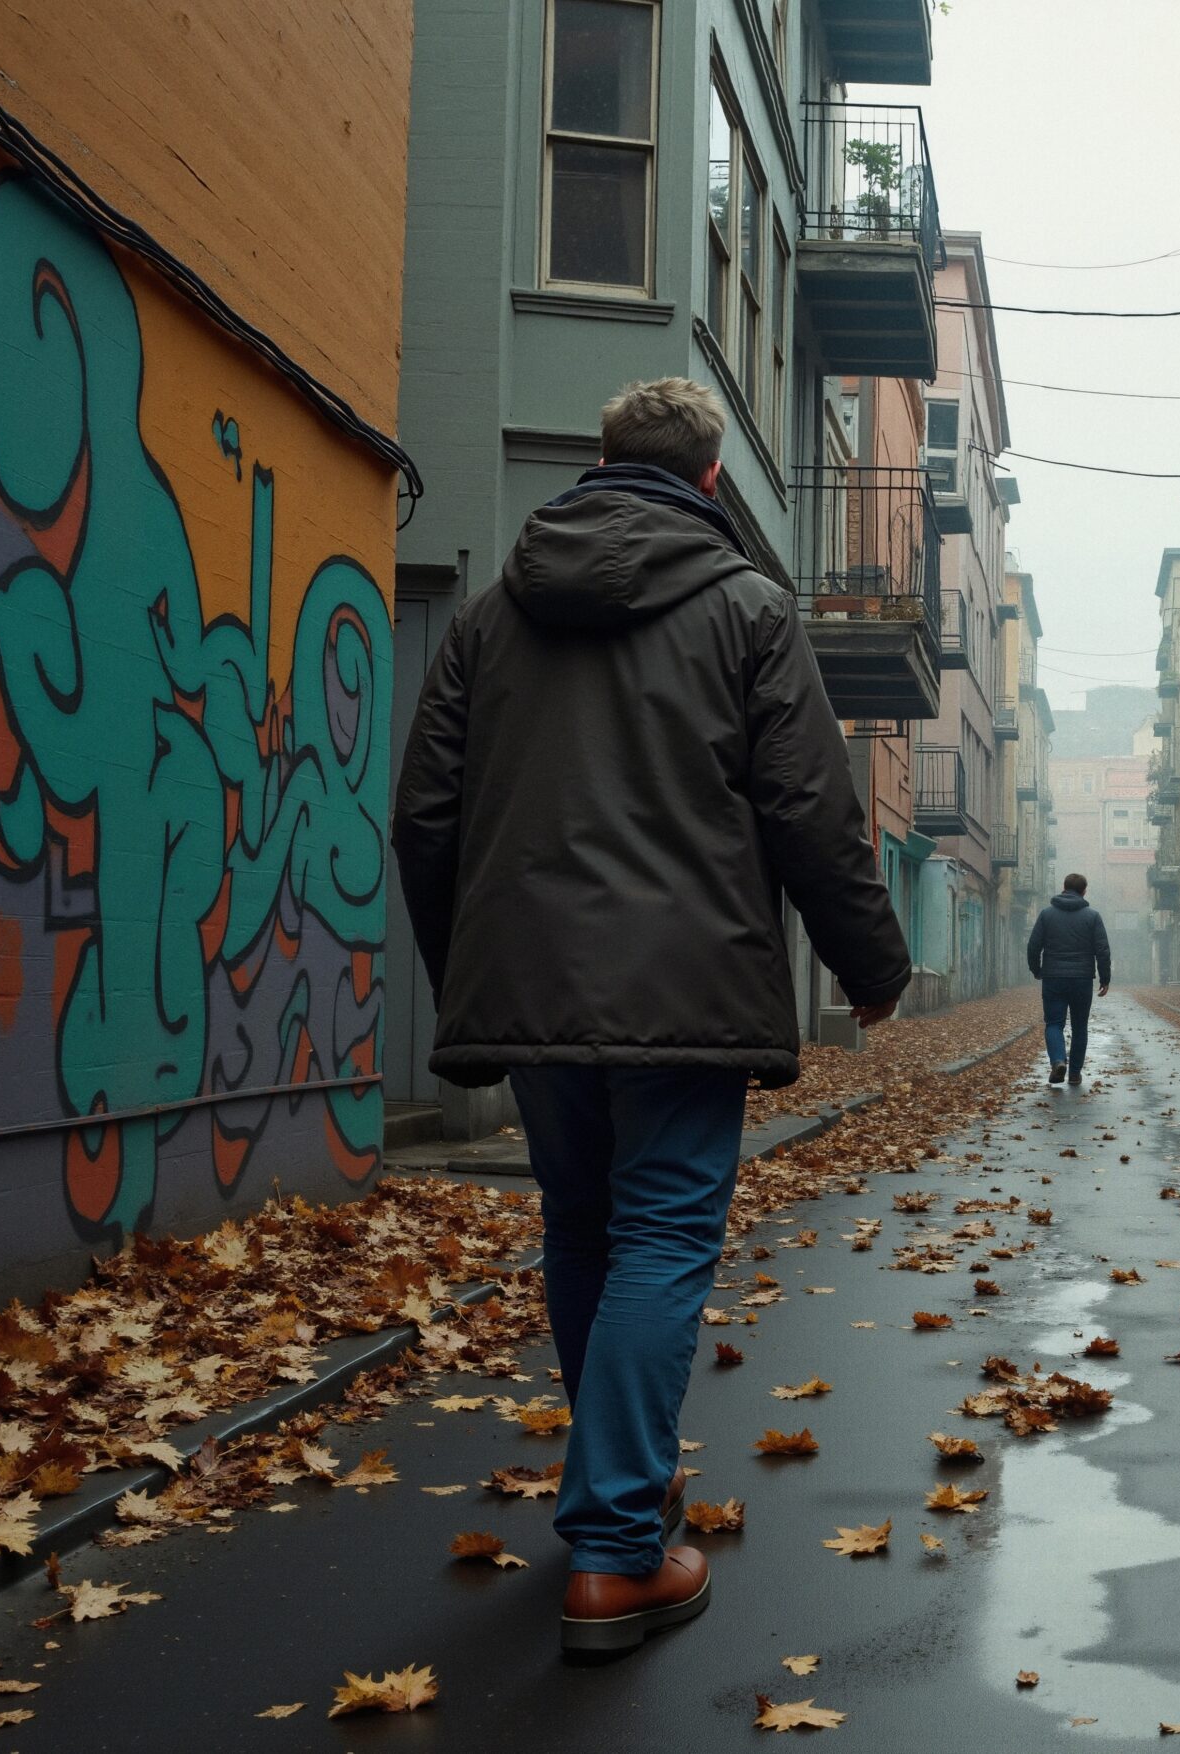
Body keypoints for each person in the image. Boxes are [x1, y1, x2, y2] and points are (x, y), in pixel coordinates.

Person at [391, 378, 910, 1658]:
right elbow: (812, 811)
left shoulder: (494, 617)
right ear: (712, 483)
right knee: (663, 1239)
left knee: (583, 1227)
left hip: (534, 989)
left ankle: (622, 1487)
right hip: (686, 992)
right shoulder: (746, 611)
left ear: (597, 461)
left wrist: (474, 965)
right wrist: (870, 963)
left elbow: (425, 813)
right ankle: (620, 1550)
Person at [1026, 873, 1111, 1085]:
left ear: (1063, 887)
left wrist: (1037, 970)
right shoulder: (1092, 917)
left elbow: (1033, 946)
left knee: (1054, 1023)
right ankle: (1074, 1073)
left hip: (1053, 977)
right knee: (1080, 1025)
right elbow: (1102, 950)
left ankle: (1057, 1061)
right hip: (1082, 978)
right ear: (1084, 891)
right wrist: (1105, 977)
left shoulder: (1046, 915)